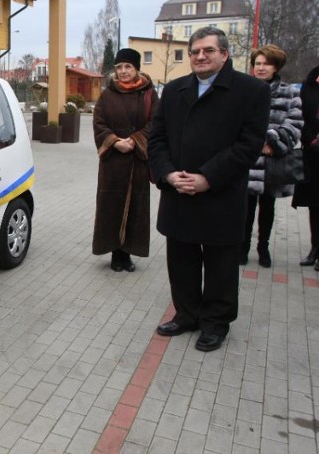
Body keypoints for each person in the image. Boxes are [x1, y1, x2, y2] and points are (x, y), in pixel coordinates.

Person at [148, 27, 270, 352]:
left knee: (220, 265)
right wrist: (168, 174)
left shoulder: (251, 91)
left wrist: (207, 177)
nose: (200, 56)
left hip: (221, 195)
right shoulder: (174, 90)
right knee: (182, 260)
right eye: (195, 51)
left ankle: (215, 323)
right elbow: (156, 138)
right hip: (178, 193)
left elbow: (249, 145)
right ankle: (187, 314)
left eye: (208, 51)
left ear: (224, 54)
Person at [92, 48, 158, 272]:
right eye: (119, 67)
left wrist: (136, 140)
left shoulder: (149, 93)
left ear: (136, 68)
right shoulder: (107, 94)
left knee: (135, 210)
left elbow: (156, 122)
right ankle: (114, 254)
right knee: (111, 208)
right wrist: (113, 141)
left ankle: (127, 254)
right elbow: (98, 123)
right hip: (112, 163)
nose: (123, 71)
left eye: (127, 66)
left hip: (137, 161)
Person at [242, 45, 303, 267]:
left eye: (265, 64)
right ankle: (243, 247)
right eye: (257, 63)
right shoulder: (244, 90)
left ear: (275, 66)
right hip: (247, 160)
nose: (260, 68)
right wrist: (254, 144)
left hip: (272, 161)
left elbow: (295, 122)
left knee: (267, 208)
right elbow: (233, 122)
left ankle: (263, 247)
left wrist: (273, 142)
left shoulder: (290, 92)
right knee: (245, 208)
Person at [292, 65, 319, 268]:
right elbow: (300, 117)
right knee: (315, 204)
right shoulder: (310, 84)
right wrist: (310, 139)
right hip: (313, 153)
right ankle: (315, 248)